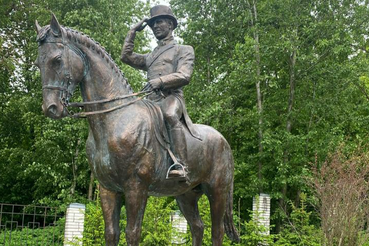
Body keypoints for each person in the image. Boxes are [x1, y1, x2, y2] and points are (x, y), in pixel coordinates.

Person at [121, 5, 200, 179]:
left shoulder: (183, 50)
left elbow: (184, 75)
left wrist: (160, 81)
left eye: (160, 22)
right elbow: (126, 57)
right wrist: (132, 31)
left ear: (170, 25)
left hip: (171, 97)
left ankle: (181, 164)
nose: (156, 26)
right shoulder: (150, 56)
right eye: (153, 23)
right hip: (150, 101)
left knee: (170, 114)